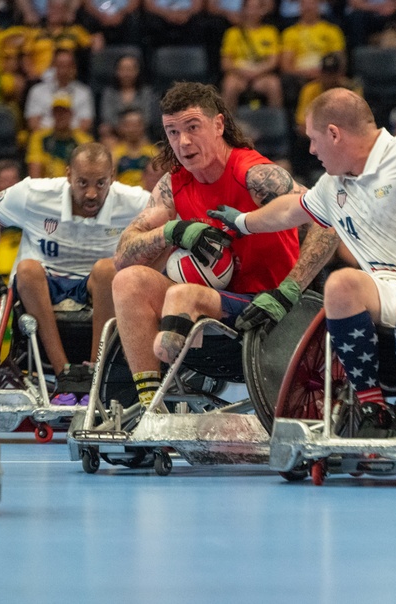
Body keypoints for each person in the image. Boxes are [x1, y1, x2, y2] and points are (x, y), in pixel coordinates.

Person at [207, 88, 396, 436]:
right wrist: (242, 223)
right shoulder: (334, 184)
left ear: (334, 133)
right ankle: (373, 408)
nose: (311, 150)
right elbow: (290, 209)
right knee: (341, 284)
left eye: (314, 139)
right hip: (388, 289)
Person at [112, 82, 308, 415]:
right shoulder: (173, 185)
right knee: (127, 281)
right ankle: (152, 411)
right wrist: (174, 230)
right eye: (172, 132)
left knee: (183, 296)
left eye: (192, 128)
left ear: (218, 125)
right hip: (211, 308)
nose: (182, 142)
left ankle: (172, 355)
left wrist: (293, 287)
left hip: (269, 305)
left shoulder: (257, 174)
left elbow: (324, 219)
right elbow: (123, 255)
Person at [0, 143, 150, 404]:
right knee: (26, 269)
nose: (91, 193)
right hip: (43, 282)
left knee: (108, 269)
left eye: (101, 183)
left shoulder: (136, 202)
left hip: (97, 287)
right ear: (68, 175)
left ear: (112, 176)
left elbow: (167, 229)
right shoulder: (33, 193)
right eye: (82, 183)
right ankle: (64, 374)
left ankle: (94, 370)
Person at [219, 0, 284, 109]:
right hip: (238, 74)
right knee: (229, 85)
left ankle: (275, 123)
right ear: (243, 10)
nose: (253, 11)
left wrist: (256, 72)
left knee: (274, 84)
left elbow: (273, 62)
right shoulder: (232, 33)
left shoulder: (270, 32)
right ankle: (227, 124)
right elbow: (225, 63)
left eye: (256, 8)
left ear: (262, 10)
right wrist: (243, 72)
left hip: (262, 75)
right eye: (249, 8)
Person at [26, 94, 95, 178]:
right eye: (57, 112)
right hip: (47, 186)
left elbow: (87, 171)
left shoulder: (84, 140)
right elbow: (35, 168)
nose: (60, 116)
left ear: (71, 114)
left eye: (64, 112)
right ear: (52, 114)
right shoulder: (39, 137)